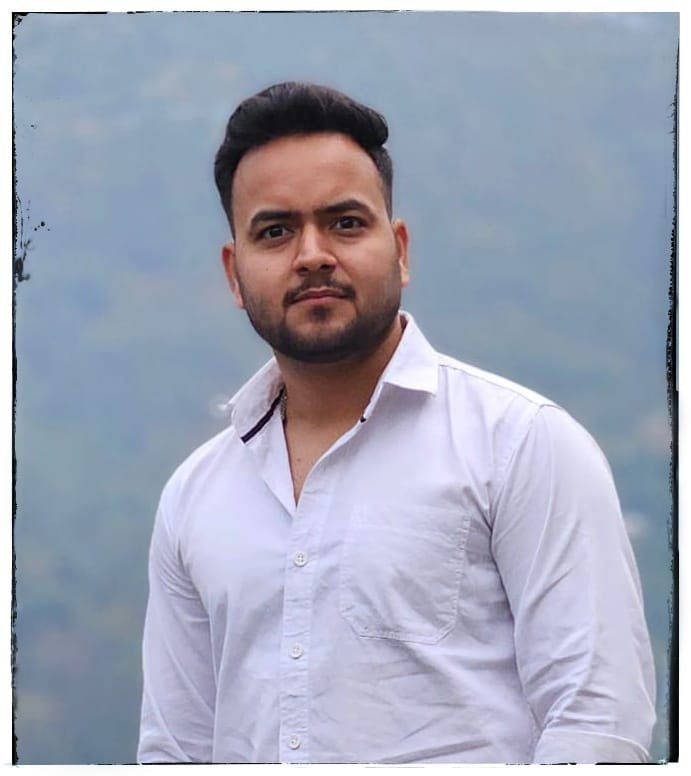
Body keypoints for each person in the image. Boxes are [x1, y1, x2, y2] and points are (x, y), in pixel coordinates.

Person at [137, 81, 656, 764]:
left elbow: (598, 719)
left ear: (400, 249)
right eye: (275, 231)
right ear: (235, 274)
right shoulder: (195, 495)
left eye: (346, 223)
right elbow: (176, 751)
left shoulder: (521, 444)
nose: (312, 254)